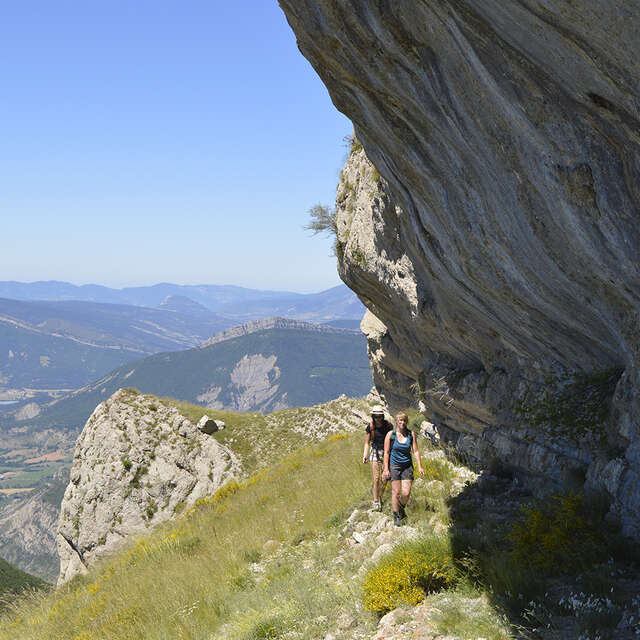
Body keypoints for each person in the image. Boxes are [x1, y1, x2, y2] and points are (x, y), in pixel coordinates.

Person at [382, 412, 425, 526]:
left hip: (407, 466)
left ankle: (401, 509)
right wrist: (386, 469)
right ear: (396, 421)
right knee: (396, 492)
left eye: (404, 420)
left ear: (407, 422)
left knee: (406, 493)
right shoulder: (390, 435)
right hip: (394, 466)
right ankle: (396, 515)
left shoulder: (411, 434)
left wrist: (420, 466)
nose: (402, 422)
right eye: (400, 420)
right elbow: (386, 453)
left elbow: (415, 451)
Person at [362, 405, 392, 511]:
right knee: (376, 478)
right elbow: (367, 443)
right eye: (375, 416)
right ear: (373, 416)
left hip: (386, 453)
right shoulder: (370, 427)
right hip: (374, 452)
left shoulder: (388, 426)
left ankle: (380, 496)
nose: (377, 418)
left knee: (385, 478)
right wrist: (365, 455)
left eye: (379, 416)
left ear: (382, 416)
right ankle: (376, 501)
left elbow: (392, 440)